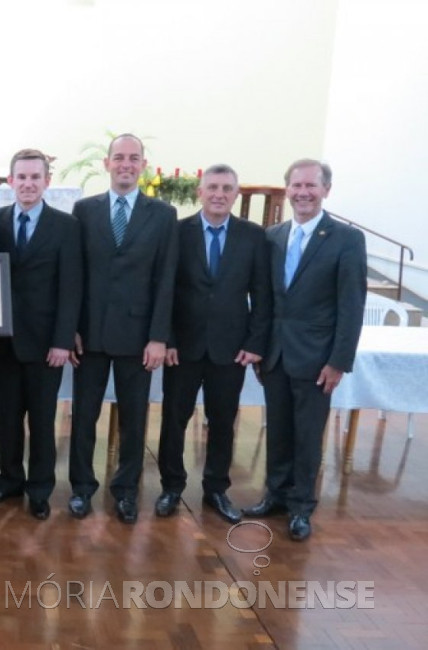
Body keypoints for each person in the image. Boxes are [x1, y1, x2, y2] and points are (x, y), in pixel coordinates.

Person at [243, 159, 366, 541]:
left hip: (317, 359)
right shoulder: (274, 235)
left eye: (311, 185)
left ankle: (301, 508)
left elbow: (351, 306)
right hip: (276, 355)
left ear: (326, 189)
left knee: (308, 435)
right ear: (287, 190)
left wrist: (338, 361)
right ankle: (275, 496)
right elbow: (264, 300)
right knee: (278, 429)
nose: (303, 193)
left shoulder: (346, 239)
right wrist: (259, 347)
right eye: (296, 186)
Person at [68, 133, 178, 523]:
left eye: (133, 158)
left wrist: (159, 337)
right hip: (91, 334)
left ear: (143, 165)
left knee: (134, 421)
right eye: (119, 157)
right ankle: (81, 488)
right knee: (83, 418)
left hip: (138, 338)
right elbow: (75, 275)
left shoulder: (163, 215)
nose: (126, 164)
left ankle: (126, 491)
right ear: (107, 164)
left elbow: (166, 279)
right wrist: (71, 329)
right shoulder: (84, 211)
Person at [155, 164, 271, 524]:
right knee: (174, 420)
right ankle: (172, 486)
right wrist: (168, 338)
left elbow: (263, 295)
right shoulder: (178, 232)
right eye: (212, 187)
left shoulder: (253, 236)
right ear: (199, 192)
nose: (219, 194)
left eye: (226, 188)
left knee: (223, 421)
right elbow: (165, 290)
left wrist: (255, 343)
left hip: (230, 348)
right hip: (183, 348)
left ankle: (216, 489)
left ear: (236, 194)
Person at [0, 149, 82, 520]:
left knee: (41, 418)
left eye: (34, 178)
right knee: (7, 416)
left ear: (46, 182)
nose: (27, 184)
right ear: (10, 181)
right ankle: (9, 480)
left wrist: (62, 339)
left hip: (46, 344)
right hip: (5, 339)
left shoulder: (66, 226)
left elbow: (71, 287)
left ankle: (40, 488)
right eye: (20, 177)